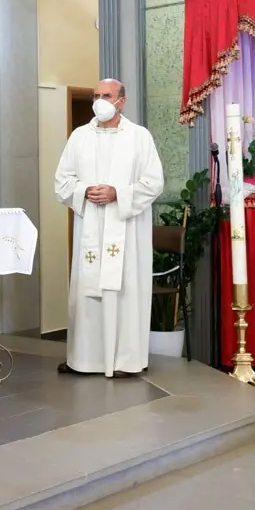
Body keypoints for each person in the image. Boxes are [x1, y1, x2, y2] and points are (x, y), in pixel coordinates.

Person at [53, 79, 163, 378]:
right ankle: (85, 359)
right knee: (89, 293)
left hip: (126, 230)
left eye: (107, 96)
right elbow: (62, 182)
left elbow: (154, 182)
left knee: (124, 291)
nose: (99, 101)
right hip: (91, 224)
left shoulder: (139, 137)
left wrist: (118, 194)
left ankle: (125, 360)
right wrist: (84, 191)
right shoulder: (79, 137)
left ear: (121, 101)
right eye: (96, 95)